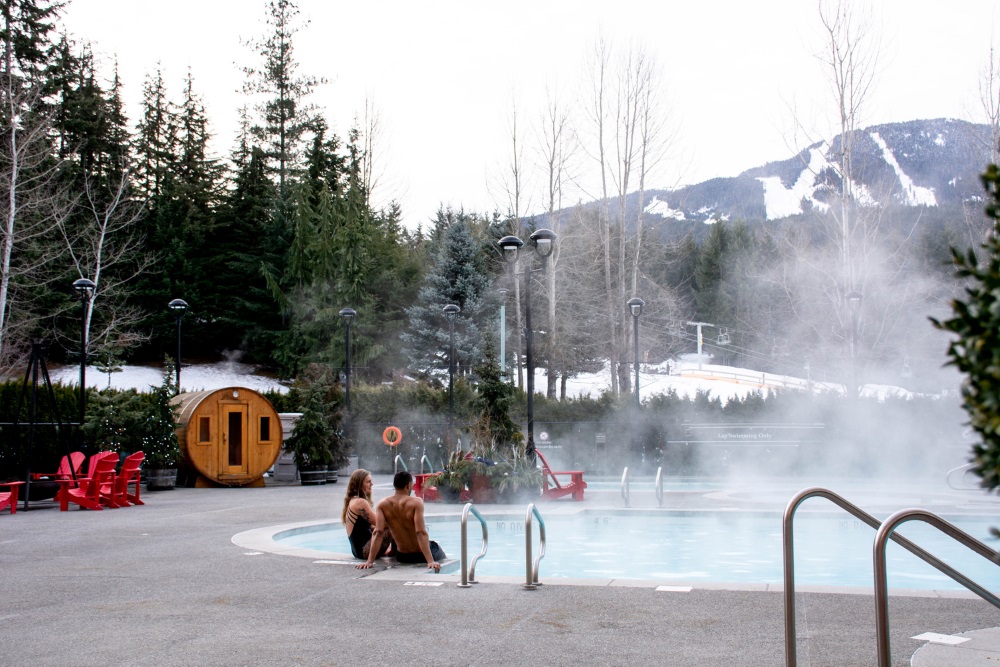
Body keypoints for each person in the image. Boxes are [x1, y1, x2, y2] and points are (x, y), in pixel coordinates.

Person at [356, 470, 446, 572]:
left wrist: (369, 561)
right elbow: (420, 532)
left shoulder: (382, 504)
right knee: (437, 549)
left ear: (394, 485)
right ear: (408, 485)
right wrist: (430, 561)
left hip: (402, 556)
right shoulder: (416, 502)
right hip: (421, 555)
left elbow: (378, 532)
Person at [342, 469, 392, 561]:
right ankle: (400, 552)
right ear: (359, 484)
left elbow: (369, 526)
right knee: (393, 524)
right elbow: (380, 523)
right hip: (364, 551)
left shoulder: (353, 500)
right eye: (368, 482)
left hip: (358, 551)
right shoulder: (360, 502)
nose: (372, 484)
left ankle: (395, 550)